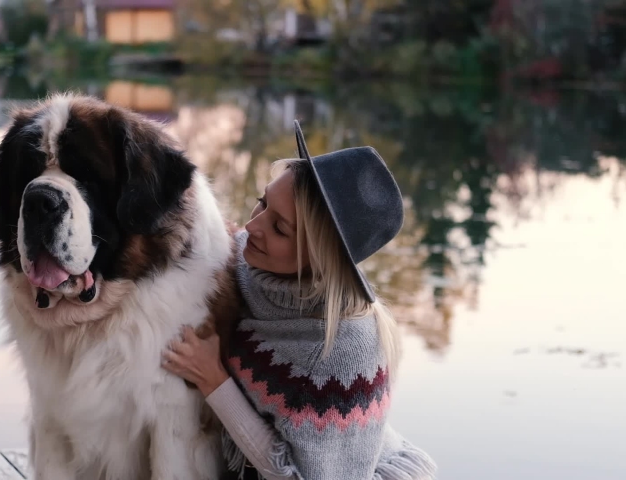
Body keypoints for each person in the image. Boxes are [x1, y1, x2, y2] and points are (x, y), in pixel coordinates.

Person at [162, 121, 437, 480]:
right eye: (262, 203)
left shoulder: (342, 356)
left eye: (279, 228)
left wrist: (214, 379)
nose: (253, 227)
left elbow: (296, 475)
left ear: (319, 259)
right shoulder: (248, 261)